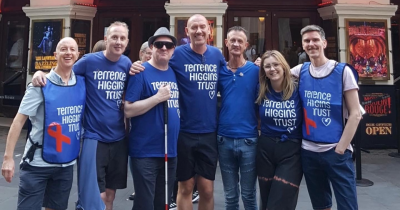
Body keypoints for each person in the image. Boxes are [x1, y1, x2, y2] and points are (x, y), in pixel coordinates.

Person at [32, 21, 132, 210]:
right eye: (114, 37)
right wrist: (41, 72)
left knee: (110, 195)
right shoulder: (90, 61)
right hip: (94, 138)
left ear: (127, 42)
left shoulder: (126, 64)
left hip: (119, 138)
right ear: (106, 39)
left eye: (122, 38)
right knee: (95, 196)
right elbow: (64, 73)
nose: (118, 42)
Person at [130, 14, 226, 210]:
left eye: (202, 27)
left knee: (207, 189)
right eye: (194, 27)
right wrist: (133, 65)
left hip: (209, 132)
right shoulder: (177, 55)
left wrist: (257, 67)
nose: (198, 31)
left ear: (209, 30)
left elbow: (231, 73)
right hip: (183, 133)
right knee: (185, 187)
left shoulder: (217, 55)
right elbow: (156, 63)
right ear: (187, 31)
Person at [1, 37, 84, 210]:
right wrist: (8, 158)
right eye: (63, 49)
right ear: (55, 54)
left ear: (78, 54)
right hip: (37, 163)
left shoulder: (82, 84)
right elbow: (18, 121)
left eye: (72, 49)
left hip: (65, 164)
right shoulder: (40, 85)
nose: (68, 53)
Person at [291, 25, 361, 210]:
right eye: (307, 41)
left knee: (348, 204)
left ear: (324, 42)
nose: (311, 44)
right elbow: (276, 73)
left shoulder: (342, 71)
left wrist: (341, 148)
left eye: (315, 40)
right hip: (309, 151)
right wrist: (260, 64)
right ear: (303, 45)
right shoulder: (300, 70)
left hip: (335, 151)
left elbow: (355, 113)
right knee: (320, 204)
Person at [124, 27, 179, 210]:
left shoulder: (174, 72)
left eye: (168, 45)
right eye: (159, 44)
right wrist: (157, 98)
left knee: (162, 203)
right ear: (151, 47)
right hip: (145, 151)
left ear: (173, 50)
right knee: (145, 203)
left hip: (169, 150)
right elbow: (128, 110)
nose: (164, 48)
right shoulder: (140, 72)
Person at [217, 26, 259, 210]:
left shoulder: (256, 70)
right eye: (232, 40)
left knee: (249, 195)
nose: (235, 44)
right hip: (224, 138)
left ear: (246, 45)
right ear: (226, 43)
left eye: (240, 41)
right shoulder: (219, 71)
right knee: (230, 196)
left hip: (249, 139)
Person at [256, 50, 303, 210]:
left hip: (291, 151)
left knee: (281, 203)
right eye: (267, 66)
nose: (272, 69)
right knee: (266, 199)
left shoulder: (298, 89)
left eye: (276, 64)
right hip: (265, 150)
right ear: (264, 71)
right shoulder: (261, 90)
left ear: (284, 66)